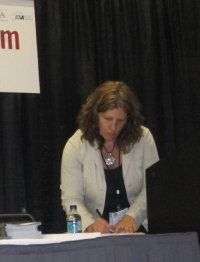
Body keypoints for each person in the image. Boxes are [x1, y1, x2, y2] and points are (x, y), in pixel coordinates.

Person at [60, 81, 159, 233]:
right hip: (96, 236)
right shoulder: (75, 145)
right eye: (107, 119)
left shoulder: (143, 138)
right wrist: (90, 224)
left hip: (138, 231)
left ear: (129, 120)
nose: (113, 127)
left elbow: (153, 187)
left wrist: (132, 216)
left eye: (120, 121)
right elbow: (71, 198)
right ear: (94, 115)